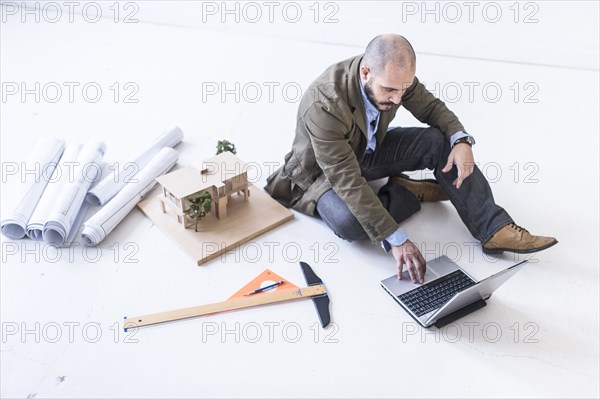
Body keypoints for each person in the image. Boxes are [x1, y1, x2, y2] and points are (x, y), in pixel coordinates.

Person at [265, 33, 557, 284]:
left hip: (367, 149)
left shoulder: (394, 76)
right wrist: (396, 239)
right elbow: (346, 179)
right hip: (323, 174)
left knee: (439, 140)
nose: (396, 100)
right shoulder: (324, 104)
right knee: (350, 224)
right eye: (389, 91)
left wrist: (462, 139)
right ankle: (404, 192)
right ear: (365, 73)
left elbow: (431, 108)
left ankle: (493, 228)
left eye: (402, 90)